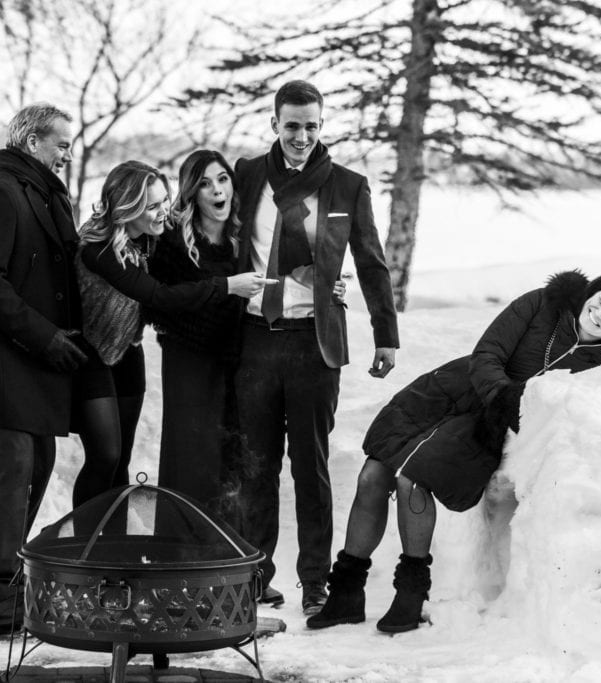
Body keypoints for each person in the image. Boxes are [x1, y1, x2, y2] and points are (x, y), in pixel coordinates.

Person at [308, 270, 601, 634]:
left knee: (414, 479)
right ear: (590, 293)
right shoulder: (542, 304)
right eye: (600, 301)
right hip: (452, 390)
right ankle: (346, 592)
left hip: (485, 430)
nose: (599, 314)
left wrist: (510, 413)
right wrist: (502, 396)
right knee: (372, 474)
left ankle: (410, 593)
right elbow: (488, 352)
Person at [233, 80, 400, 616]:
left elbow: (372, 263)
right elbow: (216, 235)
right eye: (291, 126)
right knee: (257, 465)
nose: (301, 136)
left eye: (310, 126)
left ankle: (315, 582)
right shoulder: (247, 175)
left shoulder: (348, 186)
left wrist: (386, 336)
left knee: (312, 467)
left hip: (315, 343)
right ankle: (255, 575)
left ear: (321, 126)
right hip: (255, 339)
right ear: (275, 125)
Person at [147, 150, 345, 513]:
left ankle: (231, 558)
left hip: (240, 358)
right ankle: (181, 554)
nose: (216, 190)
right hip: (189, 361)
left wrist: (328, 286)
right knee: (192, 455)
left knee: (236, 458)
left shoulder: (245, 234)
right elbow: (161, 302)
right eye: (204, 184)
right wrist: (225, 286)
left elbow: (291, 266)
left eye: (222, 179)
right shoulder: (172, 241)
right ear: (191, 192)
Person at [0, 103, 85, 635]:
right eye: (61, 144)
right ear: (32, 143)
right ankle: (7, 603)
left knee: (40, 462)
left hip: (37, 361)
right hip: (4, 360)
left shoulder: (49, 196)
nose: (68, 154)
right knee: (12, 476)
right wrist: (45, 335)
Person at [73, 160, 273, 508]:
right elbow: (158, 296)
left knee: (122, 459)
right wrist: (228, 286)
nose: (163, 212)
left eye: (164, 201)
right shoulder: (99, 249)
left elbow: (197, 243)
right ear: (127, 209)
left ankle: (111, 544)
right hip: (90, 354)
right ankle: (80, 540)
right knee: (105, 454)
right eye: (152, 206)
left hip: (127, 353)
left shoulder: (153, 238)